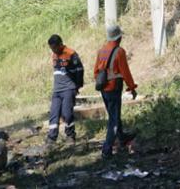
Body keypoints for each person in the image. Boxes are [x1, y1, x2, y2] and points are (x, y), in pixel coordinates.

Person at [94, 24, 137, 157]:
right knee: (113, 119)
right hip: (114, 88)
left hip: (104, 88)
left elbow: (96, 72)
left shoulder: (101, 51)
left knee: (113, 115)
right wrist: (131, 87)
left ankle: (122, 138)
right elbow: (125, 72)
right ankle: (107, 150)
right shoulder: (119, 52)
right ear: (119, 37)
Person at [47, 34, 84, 143]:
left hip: (68, 88)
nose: (53, 50)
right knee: (54, 113)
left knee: (67, 113)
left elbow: (80, 70)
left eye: (55, 48)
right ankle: (51, 137)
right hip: (57, 90)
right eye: (51, 48)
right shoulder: (54, 55)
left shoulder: (71, 54)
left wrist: (77, 86)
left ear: (60, 44)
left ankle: (70, 135)